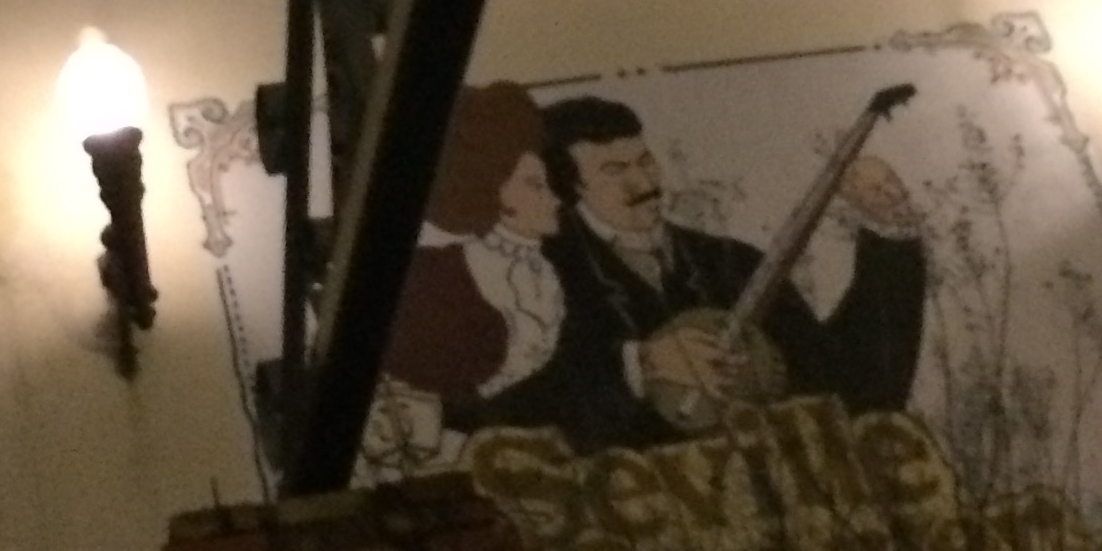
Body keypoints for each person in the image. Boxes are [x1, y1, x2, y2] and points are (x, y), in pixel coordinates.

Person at [456, 91, 928, 452]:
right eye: (614, 171)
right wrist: (640, 366)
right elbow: (495, 417)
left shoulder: (731, 263)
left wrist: (888, 237)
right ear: (568, 187)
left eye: (645, 161)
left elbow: (853, 390)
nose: (643, 182)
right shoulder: (533, 276)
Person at [359, 84, 568, 476]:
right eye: (535, 184)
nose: (555, 198)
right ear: (494, 190)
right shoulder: (430, 275)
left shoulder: (549, 276)